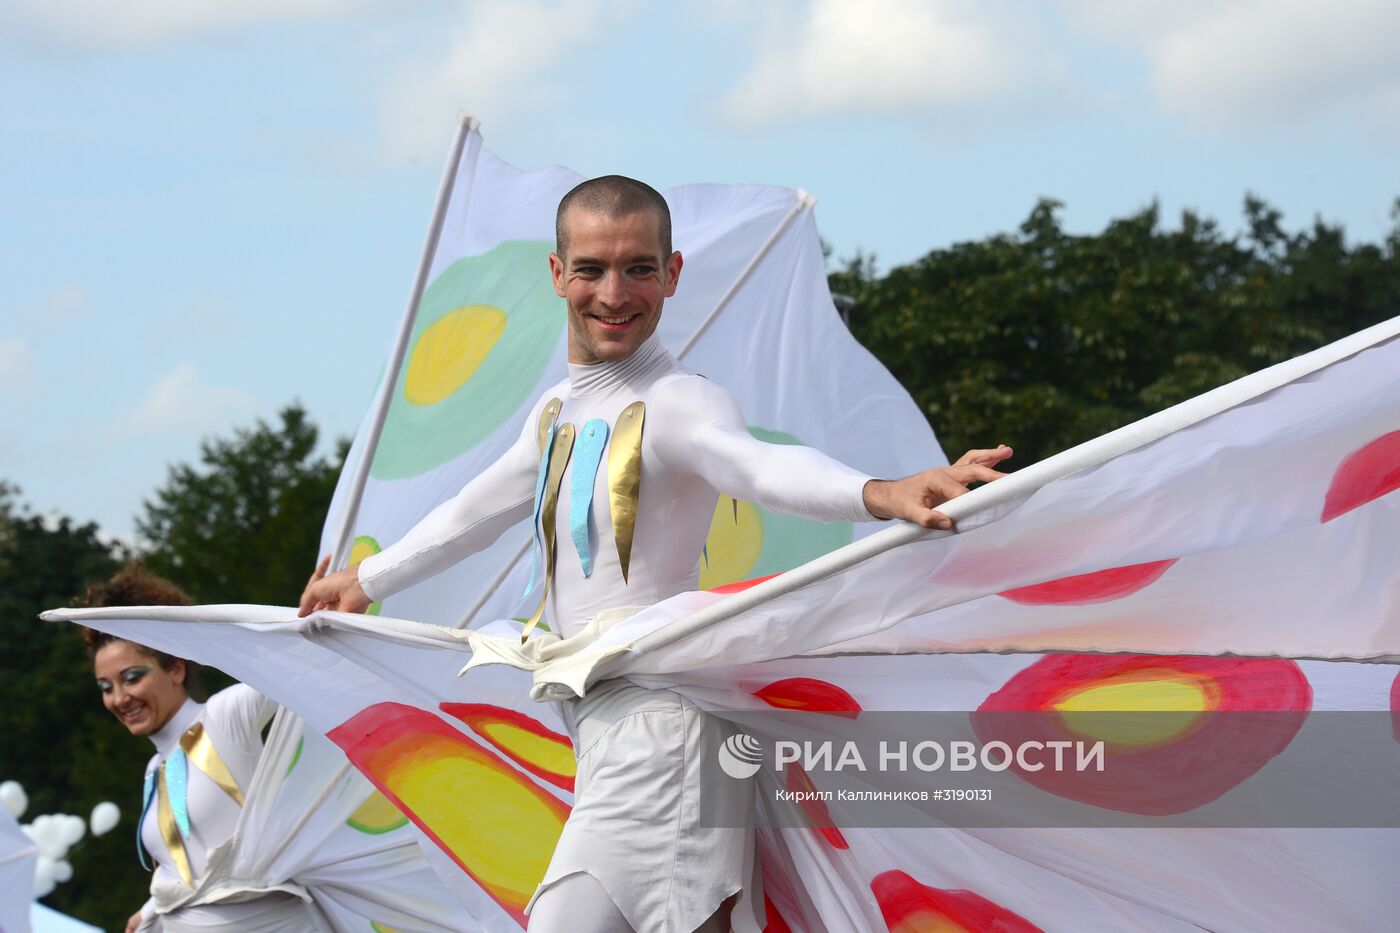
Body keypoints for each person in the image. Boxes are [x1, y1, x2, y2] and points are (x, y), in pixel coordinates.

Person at [301, 176, 1012, 932]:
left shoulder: (680, 402)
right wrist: (365, 581)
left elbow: (756, 465)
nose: (615, 292)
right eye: (592, 269)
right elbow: (468, 515)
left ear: (672, 275)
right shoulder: (554, 417)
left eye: (640, 267)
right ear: (556, 273)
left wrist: (881, 491)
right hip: (607, 724)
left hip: (663, 724)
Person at [87, 563, 329, 933]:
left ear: (176, 669)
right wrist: (151, 911)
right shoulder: (154, 771)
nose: (120, 698)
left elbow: (290, 665)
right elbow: (190, 870)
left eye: (132, 677)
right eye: (106, 687)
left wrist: (309, 621)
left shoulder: (223, 718)